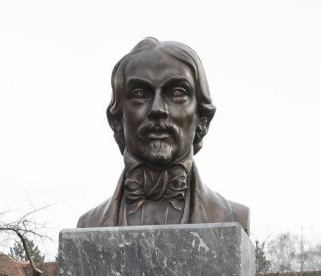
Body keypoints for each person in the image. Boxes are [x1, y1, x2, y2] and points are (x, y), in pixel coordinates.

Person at [79, 38, 249, 232]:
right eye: (140, 94)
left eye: (177, 92)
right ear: (117, 121)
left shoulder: (234, 218)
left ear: (202, 119)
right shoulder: (87, 225)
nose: (158, 109)